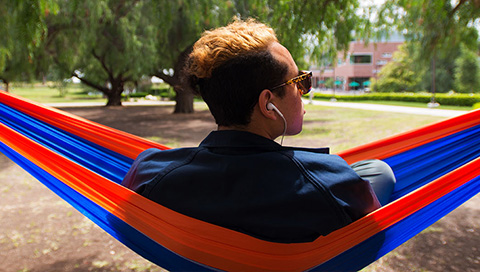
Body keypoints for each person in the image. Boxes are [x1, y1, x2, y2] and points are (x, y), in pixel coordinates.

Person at [122, 19, 395, 243]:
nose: (303, 92)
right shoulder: (329, 182)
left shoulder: (150, 174)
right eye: (299, 81)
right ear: (267, 103)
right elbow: (372, 230)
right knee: (379, 171)